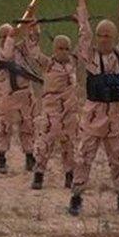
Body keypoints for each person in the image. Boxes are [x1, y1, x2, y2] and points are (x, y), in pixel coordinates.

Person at [68, 0, 119, 216]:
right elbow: (83, 30)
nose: (103, 39)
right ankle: (76, 198)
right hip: (93, 117)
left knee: (118, 158)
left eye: (107, 35)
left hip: (115, 117)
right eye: (100, 35)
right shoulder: (90, 55)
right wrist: (82, 1)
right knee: (84, 158)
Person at [24, 26, 78, 190]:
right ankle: (39, 174)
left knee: (69, 146)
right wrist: (33, 30)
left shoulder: (72, 64)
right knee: (44, 144)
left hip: (68, 113)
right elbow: (33, 51)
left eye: (66, 48)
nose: (64, 51)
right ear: (54, 49)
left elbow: (85, 43)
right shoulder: (48, 64)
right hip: (51, 112)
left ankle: (70, 175)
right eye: (60, 48)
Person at [0, 23, 37, 173]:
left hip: (25, 95)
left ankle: (30, 156)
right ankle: (1, 157)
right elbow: (6, 56)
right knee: (4, 127)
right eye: (2, 37)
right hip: (8, 96)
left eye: (8, 35)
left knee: (27, 126)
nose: (5, 39)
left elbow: (33, 45)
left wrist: (31, 27)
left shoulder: (21, 50)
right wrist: (10, 38)